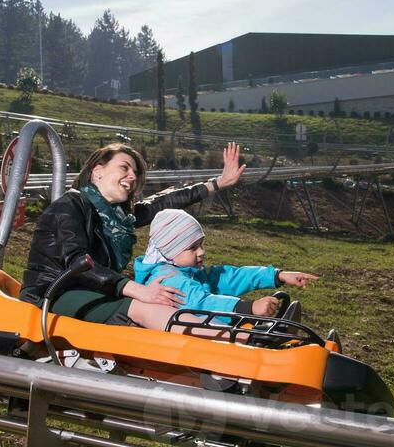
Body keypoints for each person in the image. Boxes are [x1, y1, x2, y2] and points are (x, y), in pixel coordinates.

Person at [21, 141, 246, 330]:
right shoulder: (69, 206)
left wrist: (217, 183)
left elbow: (162, 203)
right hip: (51, 293)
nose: (132, 177)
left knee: (165, 301)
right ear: (97, 171)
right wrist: (139, 291)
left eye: (136, 173)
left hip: (89, 290)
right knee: (145, 306)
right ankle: (233, 343)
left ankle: (231, 334)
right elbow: (77, 261)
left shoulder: (116, 217)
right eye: (124, 168)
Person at [132, 209, 319, 319]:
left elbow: (230, 277)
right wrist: (247, 308)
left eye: (201, 244)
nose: (202, 252)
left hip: (200, 331)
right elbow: (200, 303)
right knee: (245, 331)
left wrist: (277, 275)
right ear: (170, 252)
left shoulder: (189, 271)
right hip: (187, 339)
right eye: (193, 248)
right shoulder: (169, 280)